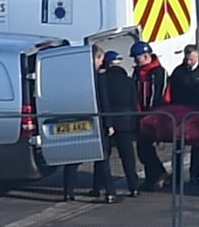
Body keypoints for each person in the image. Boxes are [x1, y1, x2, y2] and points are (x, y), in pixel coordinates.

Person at [63, 44, 117, 203]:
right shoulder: (99, 78)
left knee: (72, 159)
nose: (101, 63)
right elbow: (104, 101)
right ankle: (110, 192)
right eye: (100, 59)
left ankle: (68, 192)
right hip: (96, 121)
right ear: (97, 57)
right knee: (102, 158)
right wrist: (109, 124)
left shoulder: (74, 77)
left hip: (76, 121)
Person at [168, 43, 199, 186]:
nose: (188, 62)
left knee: (197, 147)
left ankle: (195, 176)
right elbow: (172, 92)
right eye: (187, 59)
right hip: (180, 116)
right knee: (178, 147)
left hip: (198, 116)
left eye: (191, 59)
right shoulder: (178, 72)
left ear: (198, 56)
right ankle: (176, 176)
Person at [100, 50, 141, 197]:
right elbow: (134, 102)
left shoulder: (102, 80)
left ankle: (102, 188)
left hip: (107, 122)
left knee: (104, 157)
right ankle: (134, 187)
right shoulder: (128, 81)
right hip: (126, 122)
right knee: (128, 157)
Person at [131, 40, 171, 191]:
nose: (135, 60)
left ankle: (159, 174)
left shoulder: (158, 72)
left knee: (147, 148)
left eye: (137, 57)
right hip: (141, 116)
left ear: (146, 55)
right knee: (143, 149)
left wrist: (151, 115)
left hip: (153, 117)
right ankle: (153, 177)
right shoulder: (138, 72)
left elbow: (157, 95)